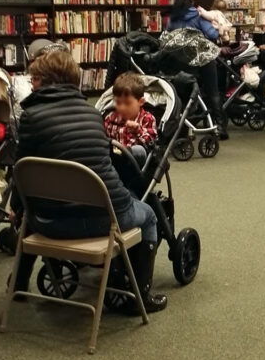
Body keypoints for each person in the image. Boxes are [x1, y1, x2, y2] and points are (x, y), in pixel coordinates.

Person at [16, 49, 166, 313]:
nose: (32, 84)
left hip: (49, 222)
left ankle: (17, 284)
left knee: (29, 209)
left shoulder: (29, 118)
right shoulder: (94, 116)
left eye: (35, 79)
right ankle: (139, 296)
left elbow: (22, 172)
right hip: (104, 220)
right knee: (149, 215)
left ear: (48, 82)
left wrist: (18, 209)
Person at [166, 0, 227, 138]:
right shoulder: (199, 15)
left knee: (184, 92)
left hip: (184, 60)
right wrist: (217, 29)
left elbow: (168, 37)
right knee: (213, 91)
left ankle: (184, 127)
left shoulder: (172, 19)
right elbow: (212, 34)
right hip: (204, 57)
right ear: (191, 1)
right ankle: (220, 127)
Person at [103, 72, 157, 167]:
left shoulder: (147, 119)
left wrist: (138, 131)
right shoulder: (110, 119)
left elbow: (150, 144)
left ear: (141, 102)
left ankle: (124, 155)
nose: (122, 107)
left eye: (127, 103)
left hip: (136, 165)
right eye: (118, 103)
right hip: (113, 162)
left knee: (139, 150)